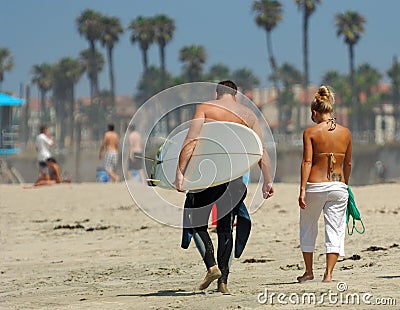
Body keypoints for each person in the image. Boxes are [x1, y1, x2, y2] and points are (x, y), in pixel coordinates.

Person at [173, 80, 274, 294]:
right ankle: (223, 283)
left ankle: (212, 266)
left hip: (208, 177)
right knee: (226, 228)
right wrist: (267, 179)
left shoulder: (206, 108)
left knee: (196, 222)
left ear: (217, 93)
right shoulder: (248, 115)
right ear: (235, 96)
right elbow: (260, 150)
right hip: (235, 180)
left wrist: (180, 173)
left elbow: (191, 142)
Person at [298, 85, 352, 283]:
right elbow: (348, 163)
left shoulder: (310, 132)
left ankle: (309, 271)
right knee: (335, 229)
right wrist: (346, 185)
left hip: (315, 186)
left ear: (315, 112)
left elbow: (307, 162)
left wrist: (302, 189)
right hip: (339, 186)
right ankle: (328, 274)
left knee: (308, 227)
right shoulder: (345, 133)